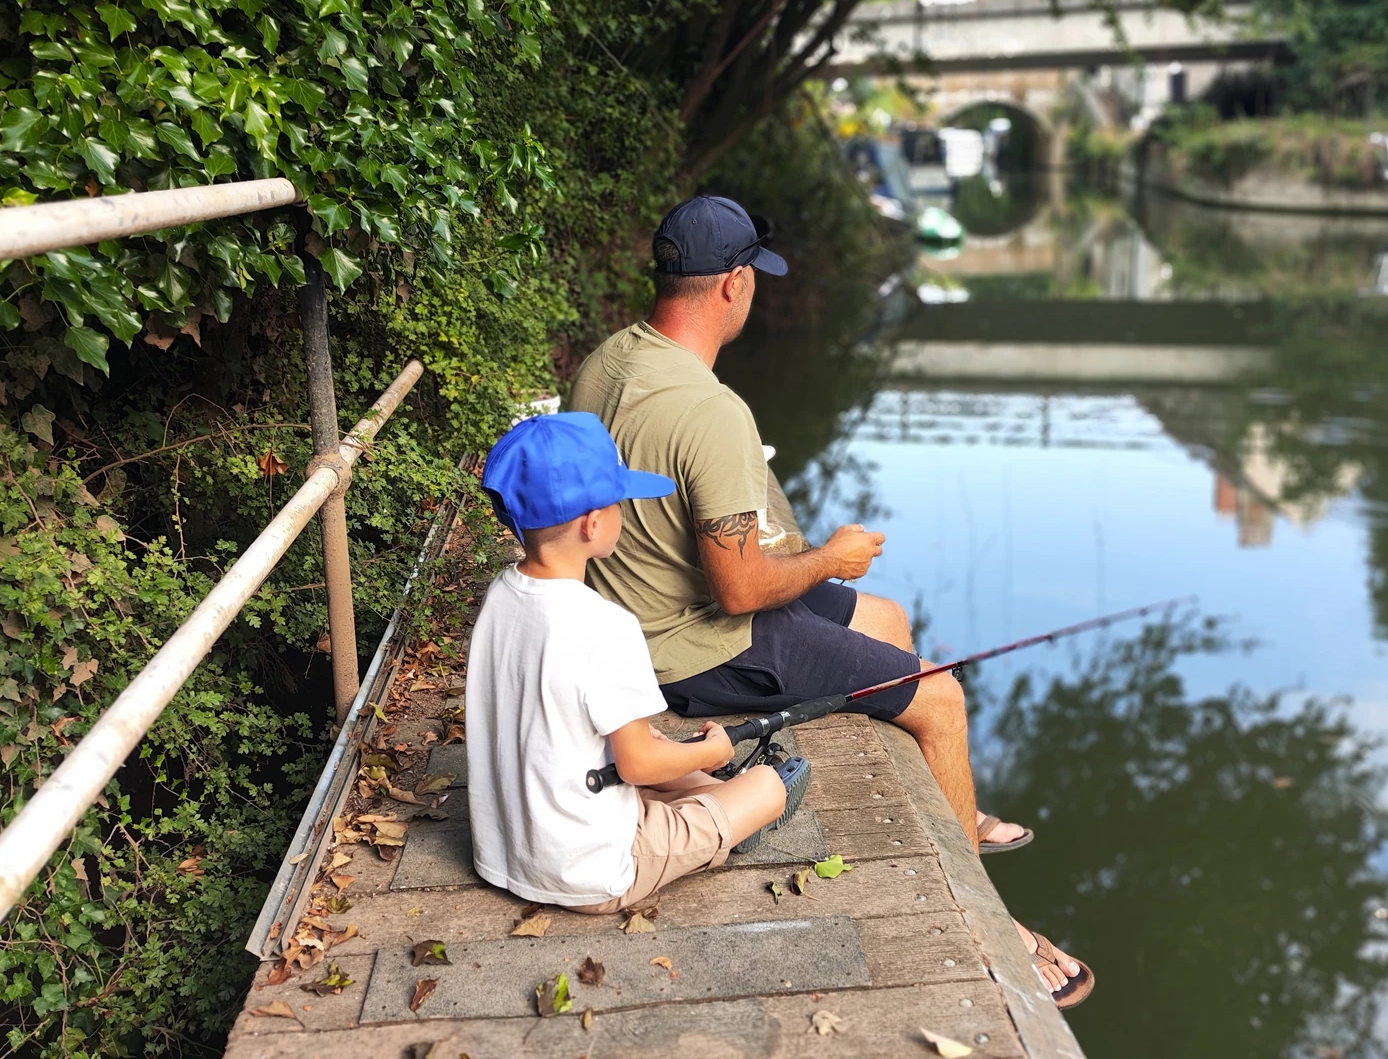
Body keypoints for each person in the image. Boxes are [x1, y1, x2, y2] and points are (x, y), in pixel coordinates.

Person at [567, 195, 1089, 1007]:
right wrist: (828, 558)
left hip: (642, 613)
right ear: (735, 285)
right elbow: (739, 588)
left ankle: (958, 811)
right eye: (755, 281)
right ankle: (993, 923)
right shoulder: (711, 410)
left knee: (887, 619)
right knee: (941, 699)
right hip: (694, 652)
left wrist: (812, 567)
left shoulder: (607, 361)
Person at [465, 412, 811, 915]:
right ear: (593, 523)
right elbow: (637, 765)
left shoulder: (501, 595)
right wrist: (711, 753)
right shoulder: (605, 624)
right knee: (764, 788)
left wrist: (682, 757)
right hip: (591, 873)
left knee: (673, 757)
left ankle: (712, 801)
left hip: (503, 850)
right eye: (620, 501)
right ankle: (726, 822)